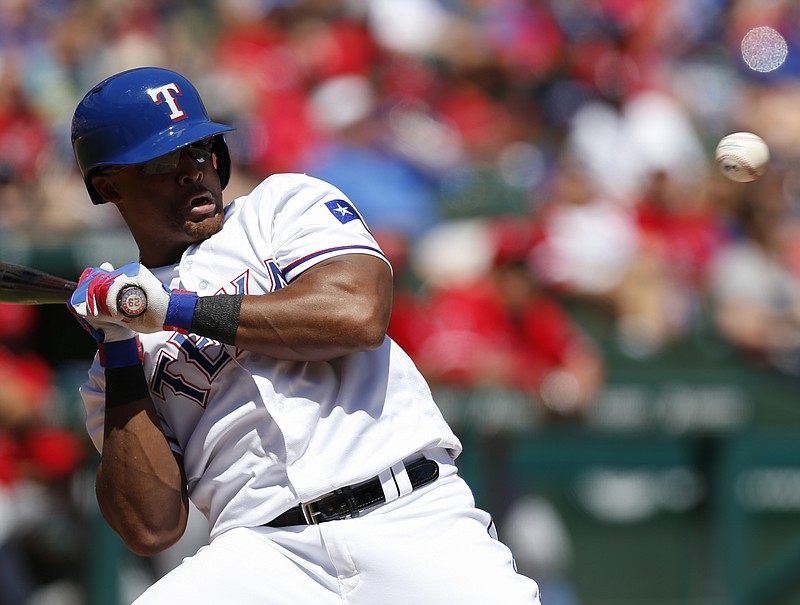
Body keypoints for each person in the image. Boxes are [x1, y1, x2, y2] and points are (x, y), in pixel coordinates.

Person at [67, 66, 541, 604]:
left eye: (199, 149)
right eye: (160, 159)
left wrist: (169, 308)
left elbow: (356, 315)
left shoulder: (281, 207)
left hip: (409, 519)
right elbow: (150, 528)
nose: (189, 170)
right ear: (108, 185)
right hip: (267, 556)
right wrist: (119, 344)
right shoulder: (120, 347)